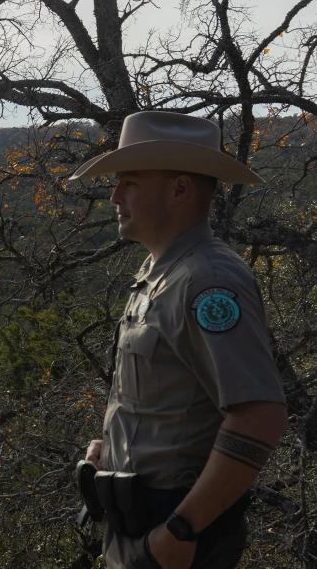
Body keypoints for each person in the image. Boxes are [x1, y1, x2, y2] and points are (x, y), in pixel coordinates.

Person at [69, 111, 287, 569]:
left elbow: (258, 416)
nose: (114, 195)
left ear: (180, 189)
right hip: (138, 528)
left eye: (128, 182)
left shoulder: (207, 279)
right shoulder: (159, 273)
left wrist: (181, 529)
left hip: (176, 537)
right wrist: (113, 444)